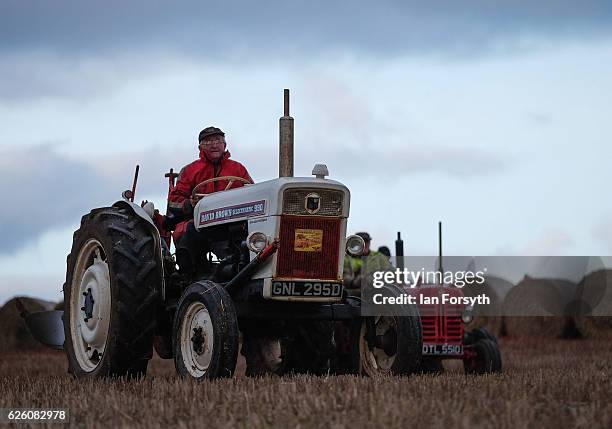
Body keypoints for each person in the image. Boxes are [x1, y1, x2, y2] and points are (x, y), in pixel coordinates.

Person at [166, 126, 252, 274]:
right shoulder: (190, 170)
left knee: (250, 235)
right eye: (208, 141)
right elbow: (174, 201)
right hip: (200, 222)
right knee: (188, 232)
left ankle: (242, 268)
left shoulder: (238, 169)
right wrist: (189, 204)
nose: (214, 145)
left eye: (218, 140)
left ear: (224, 145)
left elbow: (251, 192)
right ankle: (188, 274)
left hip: (231, 220)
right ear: (200, 147)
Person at [343, 232, 392, 296]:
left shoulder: (379, 257)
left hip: (376, 293)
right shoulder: (347, 258)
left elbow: (390, 271)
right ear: (355, 244)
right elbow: (344, 277)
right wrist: (355, 281)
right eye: (361, 242)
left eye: (366, 242)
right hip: (353, 295)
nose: (365, 244)